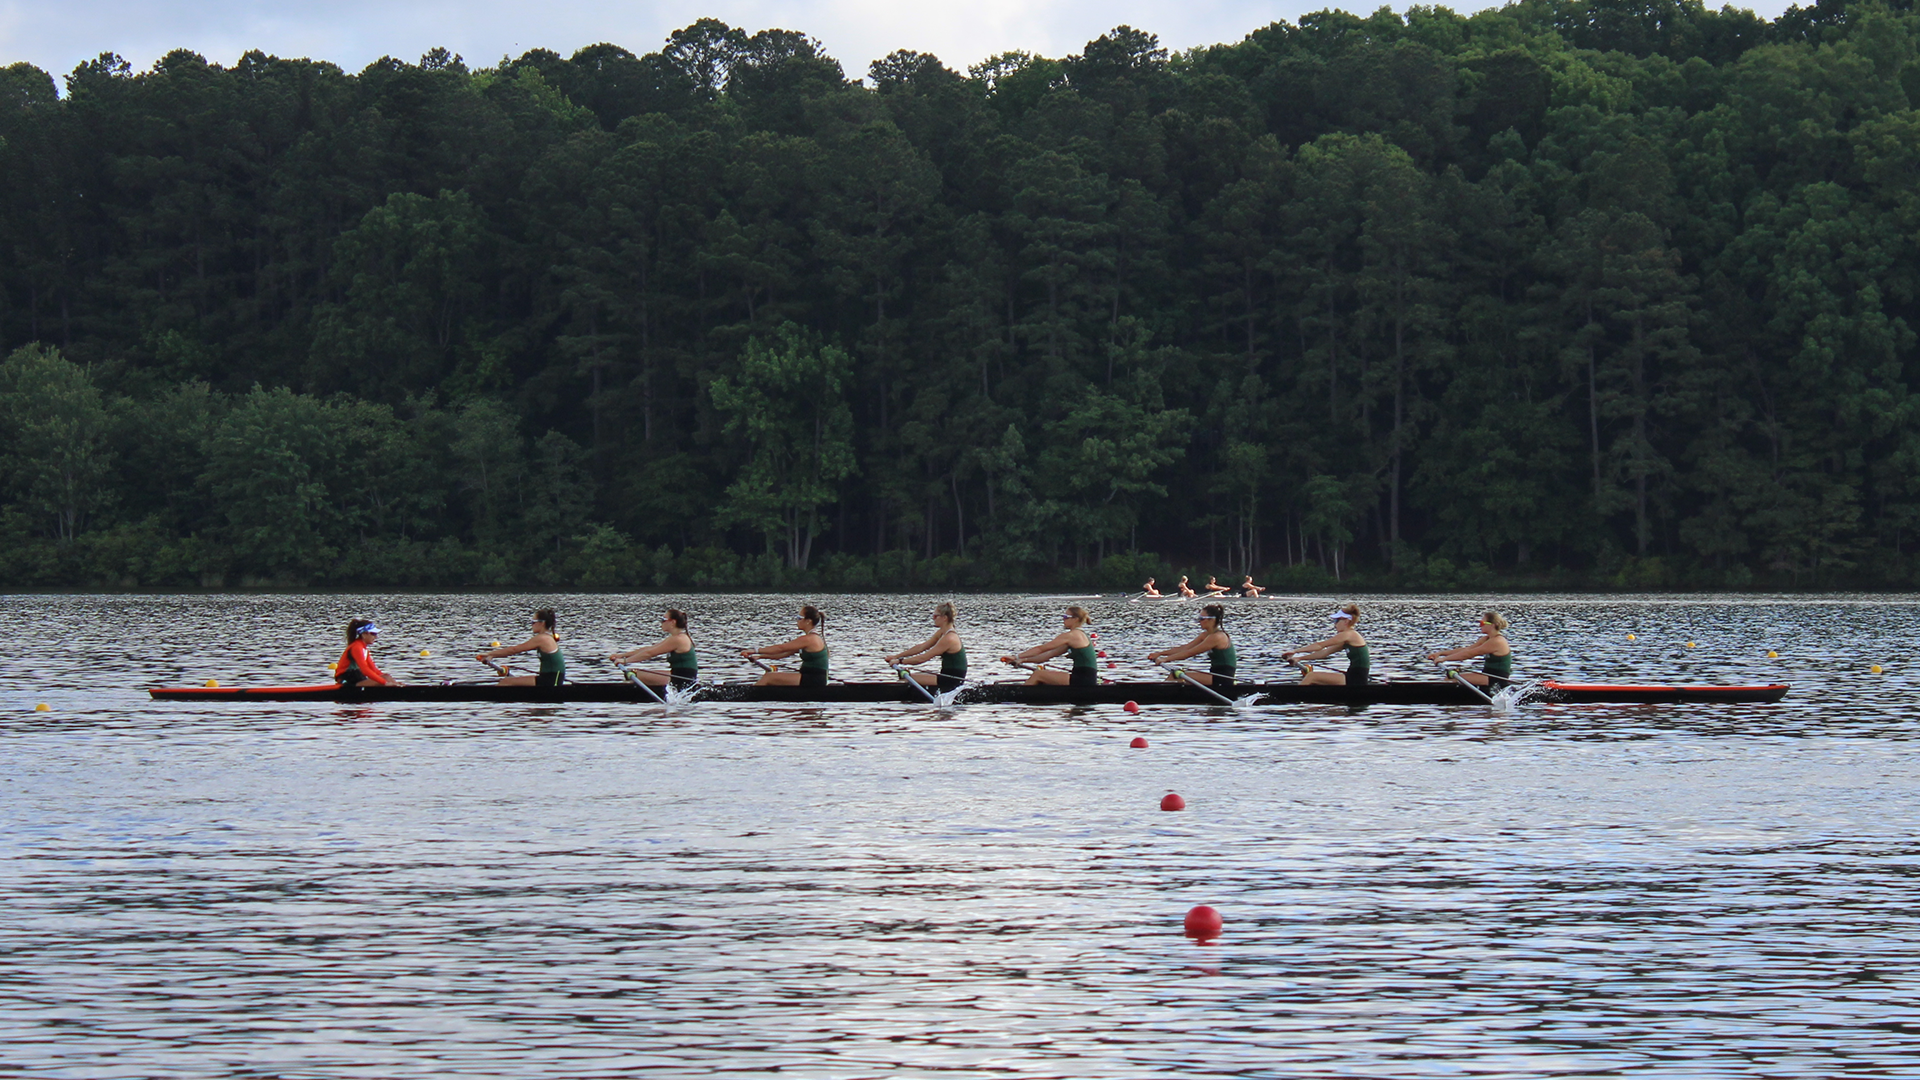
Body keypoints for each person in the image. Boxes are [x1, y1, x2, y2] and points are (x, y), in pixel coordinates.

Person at [1003, 606, 1098, 686]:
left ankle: (1020, 696)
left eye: (1066, 616)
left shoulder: (1072, 635)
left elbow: (1040, 649)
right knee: (1042, 676)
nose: (1063, 619)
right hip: (1085, 678)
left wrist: (1016, 656)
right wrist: (1023, 660)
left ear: (1076, 619)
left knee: (1038, 674)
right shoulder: (1078, 636)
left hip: (1083, 679)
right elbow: (1047, 655)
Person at [1147, 603, 1237, 689]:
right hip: (1214, 675)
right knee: (1179, 677)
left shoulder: (1217, 637)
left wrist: (1165, 659)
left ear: (1212, 620)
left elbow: (1189, 653)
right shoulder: (1205, 635)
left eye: (1202, 618)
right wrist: (1160, 654)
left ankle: (1158, 696)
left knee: (1175, 675)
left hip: (1224, 679)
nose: (1199, 621)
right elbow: (1185, 648)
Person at [884, 601, 967, 691]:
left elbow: (923, 658)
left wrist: (900, 661)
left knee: (906, 678)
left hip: (952, 680)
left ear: (944, 618)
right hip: (945, 675)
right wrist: (896, 656)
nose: (933, 618)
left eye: (936, 616)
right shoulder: (942, 632)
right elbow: (921, 647)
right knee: (907, 676)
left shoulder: (949, 638)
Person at [1282, 604, 1371, 686]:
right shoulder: (1347, 639)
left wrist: (1295, 651)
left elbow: (1319, 645)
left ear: (1346, 621)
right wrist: (1299, 658)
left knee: (1312, 676)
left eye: (1337, 620)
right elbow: (1324, 652)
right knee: (1314, 678)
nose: (1335, 624)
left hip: (1356, 679)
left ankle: (1295, 697)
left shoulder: (1349, 634)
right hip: (1353, 676)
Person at [742, 604, 829, 687]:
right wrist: (760, 657)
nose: (797, 621)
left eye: (799, 618)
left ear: (808, 621)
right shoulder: (810, 638)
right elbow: (782, 654)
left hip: (814, 679)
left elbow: (780, 648)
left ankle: (746, 696)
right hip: (809, 676)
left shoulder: (810, 639)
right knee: (772, 677)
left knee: (769, 677)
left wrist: (754, 650)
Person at [610, 609, 699, 689]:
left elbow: (649, 654)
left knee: (633, 674)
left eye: (663, 620)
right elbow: (650, 649)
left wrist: (625, 661)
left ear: (673, 622)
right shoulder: (675, 637)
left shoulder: (678, 639)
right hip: (678, 676)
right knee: (634, 673)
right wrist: (622, 656)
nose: (661, 623)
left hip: (684, 682)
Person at [476, 608, 565, 687]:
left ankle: (494, 702)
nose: (531, 625)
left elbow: (515, 650)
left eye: (533, 622)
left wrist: (489, 653)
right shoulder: (545, 637)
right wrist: (492, 656)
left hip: (551, 681)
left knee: (506, 682)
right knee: (509, 681)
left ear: (542, 623)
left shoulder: (542, 638)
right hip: (548, 678)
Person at [1426, 611, 1514, 687]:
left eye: (1482, 623)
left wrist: (1444, 659)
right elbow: (1467, 649)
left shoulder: (1497, 641)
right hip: (1487, 675)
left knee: (1452, 679)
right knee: (1451, 677)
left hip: (1496, 679)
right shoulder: (1486, 639)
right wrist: (1441, 653)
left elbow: (1469, 654)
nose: (1480, 626)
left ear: (1492, 625)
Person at [335, 617, 400, 687]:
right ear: (364, 634)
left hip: (357, 678)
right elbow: (365, 670)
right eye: (373, 634)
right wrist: (385, 683)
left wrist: (391, 681)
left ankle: (399, 687)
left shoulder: (364, 648)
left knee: (386, 676)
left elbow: (374, 670)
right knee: (384, 679)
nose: (376, 637)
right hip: (347, 681)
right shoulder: (356, 647)